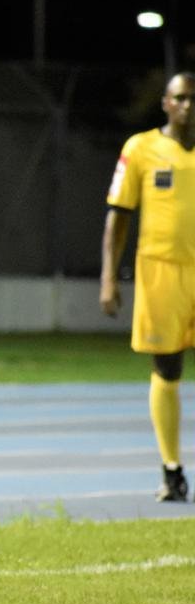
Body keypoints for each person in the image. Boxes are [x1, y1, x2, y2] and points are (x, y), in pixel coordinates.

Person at [100, 71, 195, 503]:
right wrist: (108, 276)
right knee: (168, 369)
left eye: (194, 98)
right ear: (166, 103)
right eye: (181, 98)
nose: (188, 105)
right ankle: (172, 470)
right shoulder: (140, 149)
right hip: (161, 272)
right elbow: (118, 215)